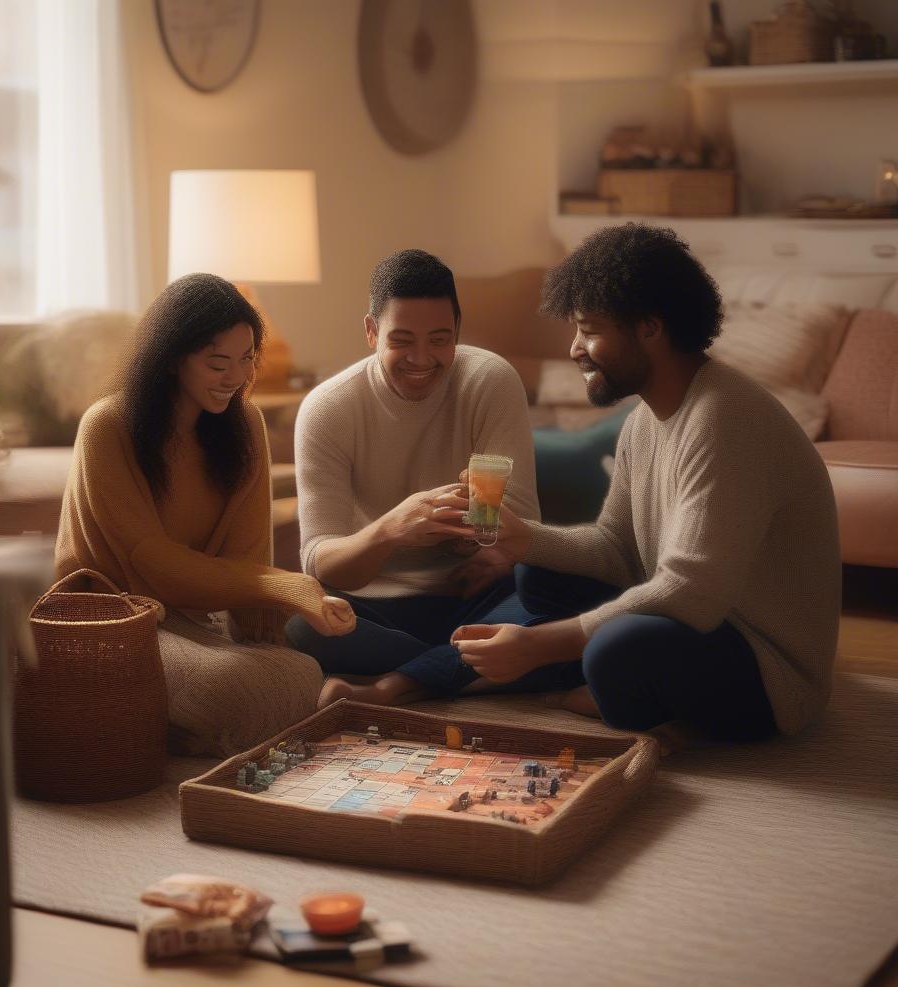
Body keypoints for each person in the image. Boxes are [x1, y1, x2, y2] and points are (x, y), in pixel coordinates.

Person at [452, 223, 840, 742]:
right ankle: (607, 685)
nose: (575, 349)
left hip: (767, 667)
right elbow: (617, 546)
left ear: (650, 328)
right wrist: (524, 539)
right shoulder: (645, 420)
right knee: (537, 575)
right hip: (705, 624)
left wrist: (535, 646)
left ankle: (599, 687)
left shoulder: (725, 418)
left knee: (620, 649)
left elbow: (690, 592)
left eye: (589, 331)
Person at [55, 274, 355, 756]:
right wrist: (281, 584)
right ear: (174, 359)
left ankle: (168, 717)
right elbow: (152, 562)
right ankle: (137, 714)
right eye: (218, 363)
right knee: (231, 688)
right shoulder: (107, 426)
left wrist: (272, 623)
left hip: (195, 621)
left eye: (246, 359)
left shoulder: (246, 425)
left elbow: (245, 557)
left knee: (303, 673)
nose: (235, 378)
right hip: (115, 621)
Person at [287, 249, 541, 707]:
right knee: (304, 625)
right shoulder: (328, 409)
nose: (421, 359)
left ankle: (393, 686)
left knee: (563, 598)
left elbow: (520, 528)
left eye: (440, 340)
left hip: (474, 597)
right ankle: (473, 667)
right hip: (376, 607)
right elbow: (320, 561)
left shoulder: (490, 381)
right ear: (371, 331)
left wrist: (493, 550)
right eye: (402, 340)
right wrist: (391, 530)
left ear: (458, 333)